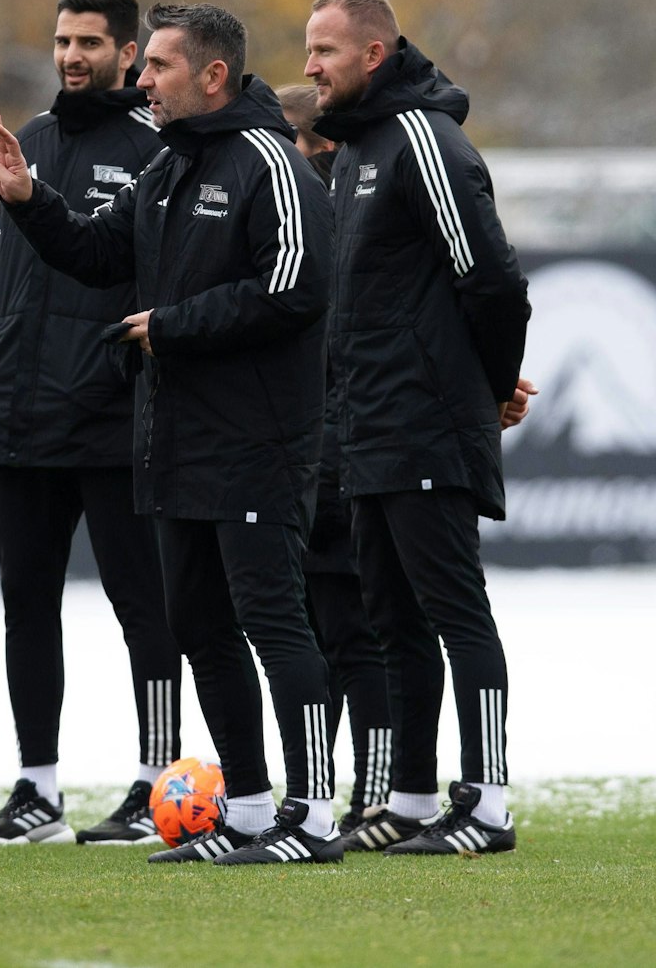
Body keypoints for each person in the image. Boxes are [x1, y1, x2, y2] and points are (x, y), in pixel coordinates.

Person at [0, 2, 344, 867]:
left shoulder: (269, 161)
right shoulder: (170, 165)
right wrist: (30, 200)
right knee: (203, 630)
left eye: (159, 67)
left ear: (212, 75)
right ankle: (247, 812)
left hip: (256, 441)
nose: (141, 79)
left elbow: (295, 287)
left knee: (274, 625)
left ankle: (314, 816)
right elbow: (97, 253)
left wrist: (174, 325)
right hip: (174, 443)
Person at [303, 0, 534, 856]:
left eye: (325, 50)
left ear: (374, 54)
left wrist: (490, 386)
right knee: (392, 622)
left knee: (456, 613)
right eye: (308, 49)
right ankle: (408, 798)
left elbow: (495, 282)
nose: (310, 66)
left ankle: (488, 805)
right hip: (367, 428)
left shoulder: (425, 140)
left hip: (425, 421)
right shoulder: (353, 152)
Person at [0, 0, 182, 846]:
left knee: (143, 607)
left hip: (112, 415)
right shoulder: (34, 140)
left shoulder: (158, 147)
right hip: (22, 413)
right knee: (27, 606)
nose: (71, 56)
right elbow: (4, 266)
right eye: (62, 41)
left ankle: (155, 782)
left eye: (89, 42)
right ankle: (37, 789)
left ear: (128, 53)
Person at [276, 82, 396, 835]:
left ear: (317, 144)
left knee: (357, 636)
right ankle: (319, 794)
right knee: (323, 638)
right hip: (306, 462)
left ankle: (376, 796)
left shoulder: (339, 219)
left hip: (347, 457)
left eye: (284, 137)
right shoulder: (306, 218)